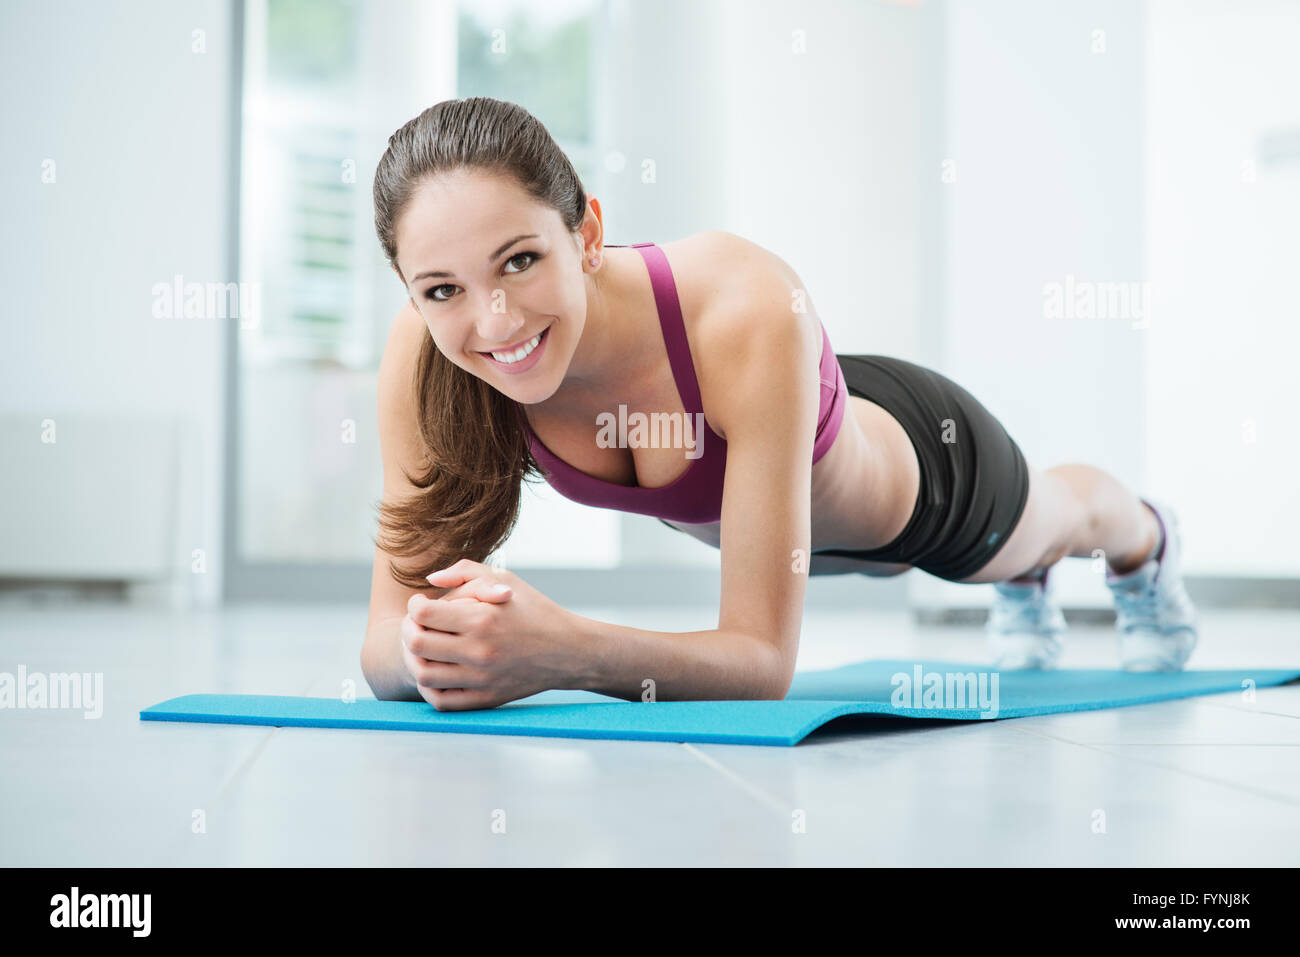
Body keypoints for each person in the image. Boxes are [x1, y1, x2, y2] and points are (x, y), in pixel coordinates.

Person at [360, 97, 1197, 711]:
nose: (493, 320)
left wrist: (559, 652)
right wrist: (438, 649)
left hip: (928, 487)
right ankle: (1033, 575)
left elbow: (761, 662)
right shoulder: (428, 355)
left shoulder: (742, 304)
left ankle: (1147, 543)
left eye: (517, 261)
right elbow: (381, 646)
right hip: (795, 501)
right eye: (442, 288)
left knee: (1060, 520)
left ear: (585, 233)